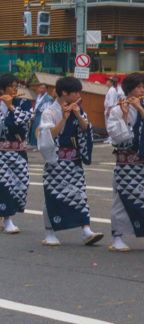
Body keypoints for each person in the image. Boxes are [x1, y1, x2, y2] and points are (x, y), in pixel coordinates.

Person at [105, 72, 144, 252]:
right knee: (121, 201)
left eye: (143, 87)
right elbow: (116, 136)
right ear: (129, 90)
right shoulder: (117, 109)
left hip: (143, 162)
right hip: (125, 163)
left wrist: (141, 110)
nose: (142, 90)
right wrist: (125, 115)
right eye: (138, 87)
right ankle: (117, 237)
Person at [37, 76, 103, 247]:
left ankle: (86, 230)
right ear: (64, 93)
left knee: (79, 195)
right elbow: (47, 137)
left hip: (73, 161)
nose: (78, 95)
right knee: (52, 196)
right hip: (56, 161)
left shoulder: (78, 109)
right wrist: (64, 118)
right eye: (76, 92)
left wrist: (77, 115)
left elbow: (85, 129)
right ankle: (50, 232)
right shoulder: (49, 112)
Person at [0, 74, 33, 234]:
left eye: (16, 86)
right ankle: (7, 220)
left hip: (19, 152)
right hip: (1, 154)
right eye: (12, 86)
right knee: (5, 186)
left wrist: (11, 107)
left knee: (20, 184)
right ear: (2, 89)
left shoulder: (23, 102)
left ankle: (4, 216)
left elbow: (26, 120)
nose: (15, 89)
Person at [27, 79, 52, 149]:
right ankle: (34, 144)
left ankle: (39, 145)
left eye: (43, 88)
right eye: (40, 88)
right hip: (36, 114)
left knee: (40, 130)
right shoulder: (38, 96)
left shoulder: (48, 98)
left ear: (46, 89)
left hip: (42, 115)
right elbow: (36, 105)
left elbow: (48, 108)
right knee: (34, 129)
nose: (41, 89)